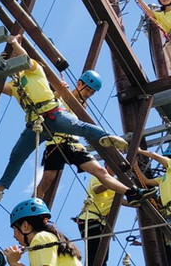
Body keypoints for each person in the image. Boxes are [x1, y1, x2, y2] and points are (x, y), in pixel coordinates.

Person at [0, 37, 143, 204]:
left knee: (89, 147)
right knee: (18, 156)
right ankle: (1, 190)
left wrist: (14, 43)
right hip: (39, 126)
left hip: (53, 117)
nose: (89, 94)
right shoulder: (15, 86)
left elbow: (26, 59)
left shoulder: (34, 69)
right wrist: (0, 65)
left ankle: (126, 180)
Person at [34, 70, 136, 204]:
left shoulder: (83, 106)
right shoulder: (63, 95)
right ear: (79, 83)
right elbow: (49, 105)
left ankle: (131, 192)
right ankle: (34, 207)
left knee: (99, 170)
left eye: (92, 93)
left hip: (73, 144)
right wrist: (60, 91)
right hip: (56, 142)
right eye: (87, 90)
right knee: (47, 179)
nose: (88, 94)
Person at [74, 176, 114, 266]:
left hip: (100, 223)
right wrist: (114, 183)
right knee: (94, 252)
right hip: (89, 219)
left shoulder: (115, 190)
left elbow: (122, 201)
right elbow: (97, 189)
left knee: (103, 255)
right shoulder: (99, 176)